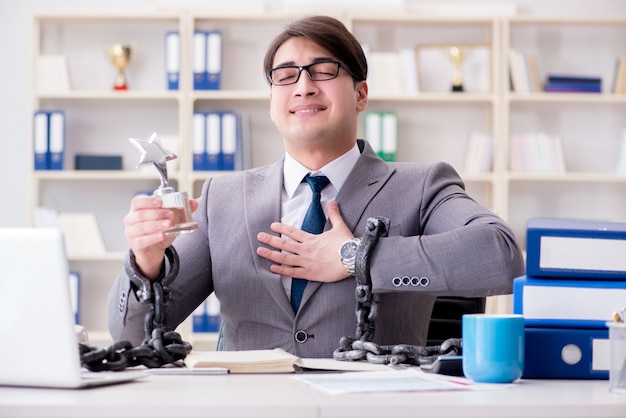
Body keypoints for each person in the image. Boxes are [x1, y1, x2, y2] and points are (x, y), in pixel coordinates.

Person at [108, 15, 524, 358]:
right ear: (272, 101)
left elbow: (502, 257)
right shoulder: (223, 197)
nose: (303, 85)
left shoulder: (421, 185)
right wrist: (145, 262)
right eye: (286, 76)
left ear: (361, 95)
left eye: (324, 71)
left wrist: (355, 257)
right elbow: (130, 332)